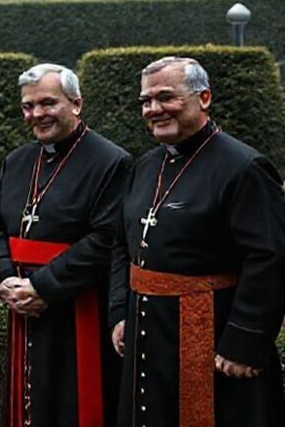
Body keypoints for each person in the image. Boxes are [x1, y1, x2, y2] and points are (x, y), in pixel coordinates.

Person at [110, 56, 285, 427]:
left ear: (203, 97)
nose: (154, 109)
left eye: (166, 97)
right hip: (147, 333)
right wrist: (119, 313)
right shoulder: (144, 167)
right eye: (145, 100)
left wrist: (244, 342)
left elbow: (270, 257)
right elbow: (121, 245)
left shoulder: (244, 167)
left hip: (213, 340)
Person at [0, 63, 130, 427]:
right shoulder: (17, 161)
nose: (37, 114)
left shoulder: (111, 161)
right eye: (28, 106)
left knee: (72, 407)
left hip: (78, 308)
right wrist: (3, 279)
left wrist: (42, 286)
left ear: (76, 103)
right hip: (22, 306)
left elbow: (106, 238)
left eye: (48, 103)